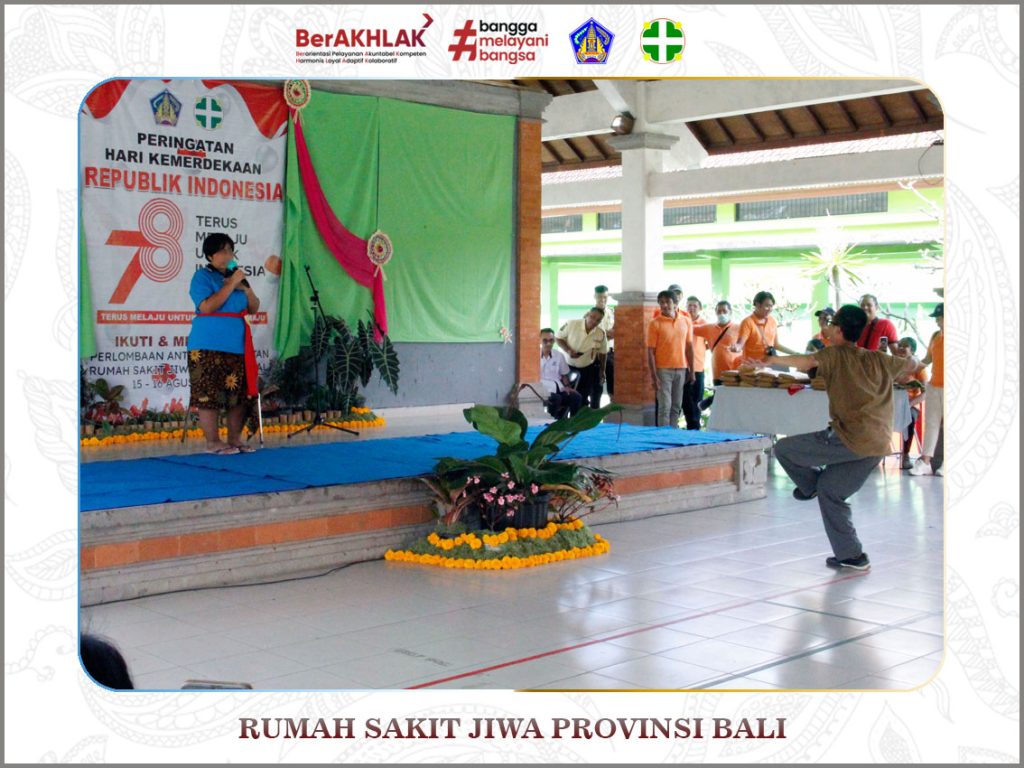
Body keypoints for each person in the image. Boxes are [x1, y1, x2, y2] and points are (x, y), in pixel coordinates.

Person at [766, 304, 922, 571]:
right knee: (831, 493)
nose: (827, 328)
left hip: (849, 438)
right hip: (877, 445)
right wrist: (913, 359)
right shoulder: (879, 359)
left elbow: (807, 361)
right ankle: (852, 556)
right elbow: (911, 365)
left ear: (838, 330)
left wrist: (770, 361)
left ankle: (809, 486)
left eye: (831, 324)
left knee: (784, 449)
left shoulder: (835, 354)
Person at [188, 233, 261, 455]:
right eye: (222, 251)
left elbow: (254, 307)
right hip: (207, 343)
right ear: (210, 255)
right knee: (208, 395)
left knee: (237, 396)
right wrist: (230, 285)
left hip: (237, 344)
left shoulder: (236, 277)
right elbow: (207, 307)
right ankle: (213, 442)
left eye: (230, 250)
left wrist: (246, 288)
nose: (228, 255)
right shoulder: (202, 276)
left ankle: (234, 439)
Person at [646, 290, 694, 428]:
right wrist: (654, 376)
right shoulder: (655, 323)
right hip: (663, 370)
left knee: (676, 406)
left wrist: (692, 371)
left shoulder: (686, 321)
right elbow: (650, 352)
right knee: (664, 406)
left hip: (681, 369)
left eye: (668, 302)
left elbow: (689, 347)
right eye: (661, 302)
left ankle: (673, 433)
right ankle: (663, 435)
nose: (664, 305)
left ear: (675, 304)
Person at [910, 303, 944, 477]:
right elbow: (928, 359)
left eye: (940, 317)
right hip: (934, 385)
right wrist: (911, 368)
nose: (937, 321)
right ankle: (925, 462)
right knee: (931, 424)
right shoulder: (935, 336)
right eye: (937, 318)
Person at [554, 307, 608, 410]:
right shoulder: (572, 324)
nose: (594, 321)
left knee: (583, 396)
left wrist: (602, 370)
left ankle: (580, 417)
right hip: (567, 367)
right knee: (565, 394)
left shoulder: (600, 333)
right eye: (592, 317)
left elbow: (603, 353)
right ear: (587, 315)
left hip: (587, 368)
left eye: (598, 320)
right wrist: (568, 350)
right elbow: (558, 337)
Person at [694, 300, 741, 411]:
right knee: (720, 399)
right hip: (718, 371)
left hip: (735, 370)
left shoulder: (739, 327)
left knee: (733, 398)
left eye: (724, 311)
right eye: (719, 311)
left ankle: (707, 402)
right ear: (715, 312)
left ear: (730, 312)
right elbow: (691, 329)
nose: (721, 313)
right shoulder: (709, 328)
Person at [729, 290, 800, 362]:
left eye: (771, 306)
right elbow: (740, 344)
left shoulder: (772, 321)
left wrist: (795, 354)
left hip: (769, 365)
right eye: (767, 306)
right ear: (757, 305)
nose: (770, 309)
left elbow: (776, 345)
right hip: (752, 366)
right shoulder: (747, 322)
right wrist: (736, 348)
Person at [892, 336, 928, 470]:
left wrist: (910, 404)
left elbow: (925, 392)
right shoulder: (892, 364)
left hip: (909, 404)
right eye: (900, 345)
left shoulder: (919, 367)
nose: (901, 348)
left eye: (905, 346)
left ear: (912, 350)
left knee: (910, 418)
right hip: (890, 403)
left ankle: (906, 454)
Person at [539, 327, 582, 419]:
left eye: (551, 340)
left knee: (576, 397)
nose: (548, 343)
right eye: (545, 341)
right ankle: (551, 423)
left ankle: (573, 423)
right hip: (541, 389)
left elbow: (564, 375)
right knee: (556, 399)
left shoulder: (559, 355)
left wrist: (568, 387)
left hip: (558, 387)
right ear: (539, 340)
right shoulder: (534, 355)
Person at [681, 296, 707, 429]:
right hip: (683, 366)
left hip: (698, 367)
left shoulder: (705, 325)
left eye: (694, 306)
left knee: (697, 400)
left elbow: (709, 344)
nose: (691, 308)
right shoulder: (682, 322)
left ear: (700, 308)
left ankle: (695, 429)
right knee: (686, 401)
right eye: (689, 305)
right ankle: (691, 428)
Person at [594, 285, 615, 399]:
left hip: (611, 352)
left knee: (613, 384)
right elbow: (593, 334)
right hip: (596, 354)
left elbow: (616, 332)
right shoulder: (589, 314)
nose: (602, 300)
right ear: (595, 296)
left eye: (605, 297)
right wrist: (606, 334)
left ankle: (613, 405)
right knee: (597, 387)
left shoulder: (612, 312)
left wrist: (605, 334)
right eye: (599, 297)